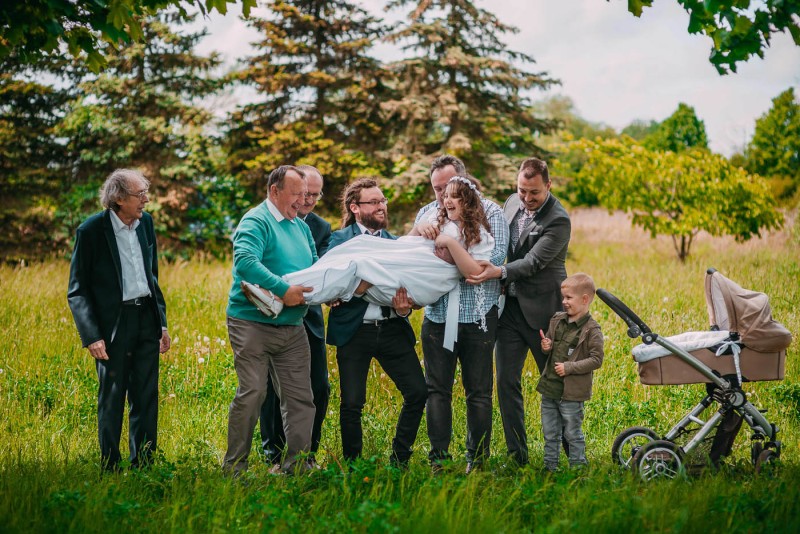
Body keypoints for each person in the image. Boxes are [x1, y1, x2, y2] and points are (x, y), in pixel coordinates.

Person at [468, 157, 571, 466]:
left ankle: (571, 456)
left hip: (545, 314)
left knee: (555, 386)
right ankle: (517, 457)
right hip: (510, 311)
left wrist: (498, 272)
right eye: (522, 190)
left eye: (534, 192)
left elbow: (533, 263)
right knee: (506, 382)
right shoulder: (511, 203)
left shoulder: (559, 220)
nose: (526, 198)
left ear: (548, 185)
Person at [67, 168, 171, 472]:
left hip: (146, 319)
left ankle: (145, 466)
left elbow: (152, 277)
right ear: (120, 198)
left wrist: (161, 323)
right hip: (112, 326)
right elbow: (77, 290)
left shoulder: (145, 223)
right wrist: (91, 335)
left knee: (146, 397)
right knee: (112, 398)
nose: (146, 200)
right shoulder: (90, 231)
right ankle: (110, 466)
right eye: (140, 195)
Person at [414, 155, 509, 474]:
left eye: (447, 187)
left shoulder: (491, 213)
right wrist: (420, 232)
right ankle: (439, 460)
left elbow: (491, 262)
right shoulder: (427, 215)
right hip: (437, 317)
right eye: (436, 188)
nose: (442, 195)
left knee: (478, 392)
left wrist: (448, 253)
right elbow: (415, 260)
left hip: (478, 316)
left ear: (463, 182)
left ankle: (477, 461)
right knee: (436, 390)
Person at [325, 178, 428, 467]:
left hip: (393, 328)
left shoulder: (396, 245)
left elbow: (411, 290)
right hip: (354, 332)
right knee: (352, 402)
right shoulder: (339, 241)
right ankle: (353, 466)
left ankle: (400, 459)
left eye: (383, 201)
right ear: (355, 208)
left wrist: (405, 310)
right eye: (374, 202)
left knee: (418, 392)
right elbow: (330, 284)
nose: (381, 206)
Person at [222, 165, 317, 476]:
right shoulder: (256, 220)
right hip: (251, 324)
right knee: (253, 393)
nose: (303, 201)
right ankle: (234, 468)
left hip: (292, 327)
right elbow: (245, 262)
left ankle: (297, 468)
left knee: (301, 399)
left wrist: (332, 288)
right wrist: (283, 290)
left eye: (306, 194)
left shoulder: (301, 227)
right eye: (296, 194)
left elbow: (315, 266)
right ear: (275, 191)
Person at [259, 165, 331, 467]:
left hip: (308, 318)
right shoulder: (266, 221)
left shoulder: (320, 227)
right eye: (305, 193)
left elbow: (322, 269)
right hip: (272, 316)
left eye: (316, 195)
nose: (309, 200)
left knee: (319, 387)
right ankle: (273, 454)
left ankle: (307, 454)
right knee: (272, 390)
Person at [538, 273, 604, 472]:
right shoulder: (557, 320)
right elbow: (548, 346)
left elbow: (596, 360)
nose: (564, 302)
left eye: (569, 298)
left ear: (584, 299)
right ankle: (550, 467)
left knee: (573, 434)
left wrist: (569, 368)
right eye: (563, 297)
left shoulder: (592, 330)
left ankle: (578, 468)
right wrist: (546, 346)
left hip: (571, 394)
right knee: (550, 433)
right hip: (550, 388)